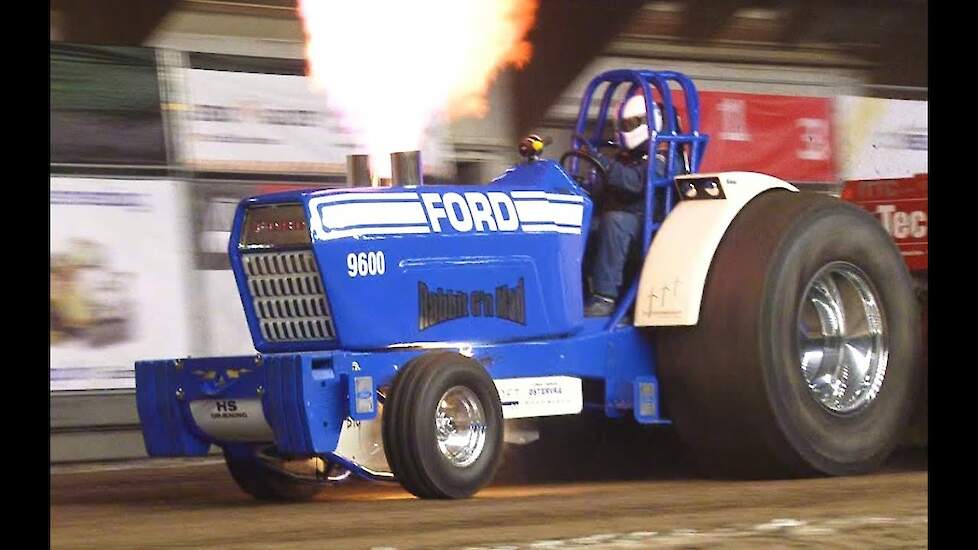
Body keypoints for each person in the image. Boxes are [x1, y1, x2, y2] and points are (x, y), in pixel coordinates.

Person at [583, 94, 671, 317]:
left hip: (651, 224)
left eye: (630, 124)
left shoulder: (663, 154)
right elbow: (607, 186)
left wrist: (606, 166)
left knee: (615, 221)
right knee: (582, 223)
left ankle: (605, 296)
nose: (625, 130)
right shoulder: (626, 156)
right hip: (629, 220)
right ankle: (578, 291)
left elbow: (635, 183)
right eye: (622, 125)